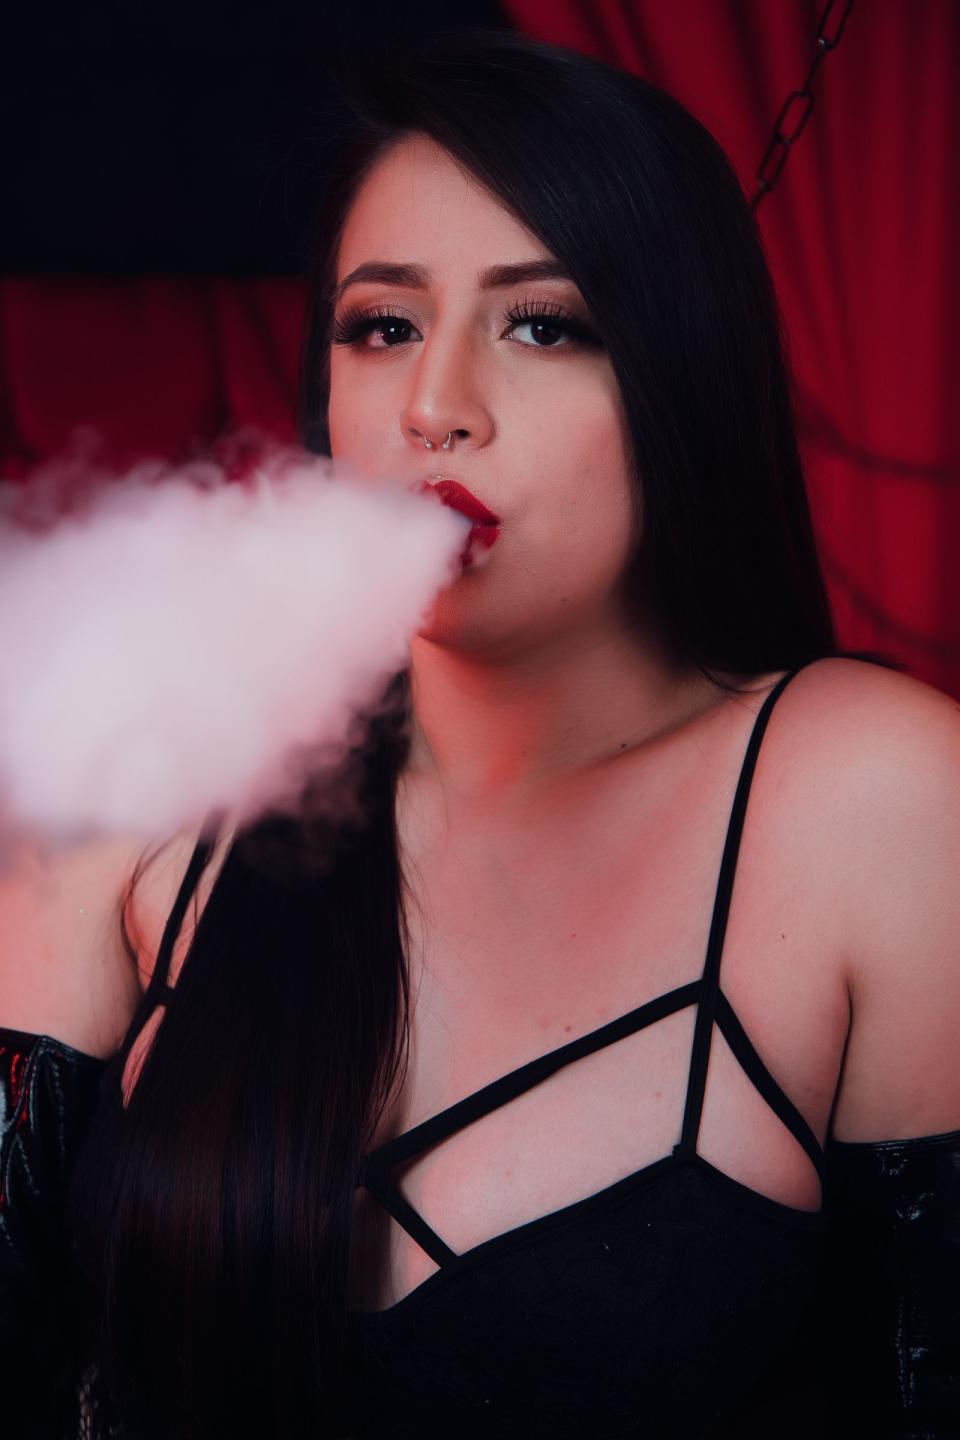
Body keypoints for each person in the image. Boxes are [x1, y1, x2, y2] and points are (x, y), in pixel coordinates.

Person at [2, 26, 958, 1440]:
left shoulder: (874, 800)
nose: (434, 407)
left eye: (544, 324)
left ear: (682, 379)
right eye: (382, 327)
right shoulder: (153, 768)